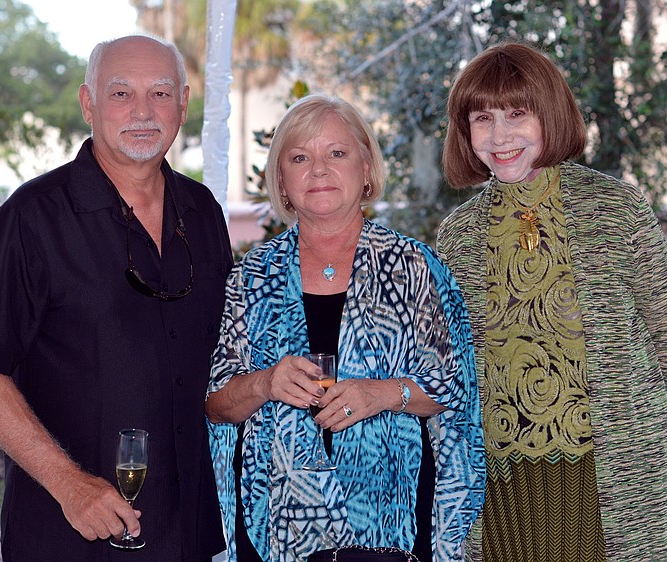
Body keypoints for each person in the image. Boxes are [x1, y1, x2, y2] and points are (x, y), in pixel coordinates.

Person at [0, 35, 231, 561]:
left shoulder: (204, 212)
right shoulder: (30, 220)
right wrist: (69, 484)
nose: (143, 112)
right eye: (121, 94)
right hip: (68, 534)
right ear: (88, 104)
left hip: (185, 532)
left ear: (184, 104)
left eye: (161, 94)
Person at [436, 41, 667, 562]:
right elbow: (451, 366)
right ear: (465, 132)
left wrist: (623, 415)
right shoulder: (457, 236)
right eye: (483, 118)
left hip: (608, 472)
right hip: (503, 481)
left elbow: (666, 344)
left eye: (517, 114)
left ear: (550, 114)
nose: (500, 136)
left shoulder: (616, 207)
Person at [206, 94, 485, 562]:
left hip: (390, 528)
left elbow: (455, 393)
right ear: (281, 180)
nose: (318, 170)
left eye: (336, 153)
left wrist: (379, 394)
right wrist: (266, 382)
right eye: (299, 157)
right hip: (277, 530)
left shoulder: (413, 267)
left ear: (367, 168)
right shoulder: (250, 277)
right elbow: (216, 406)